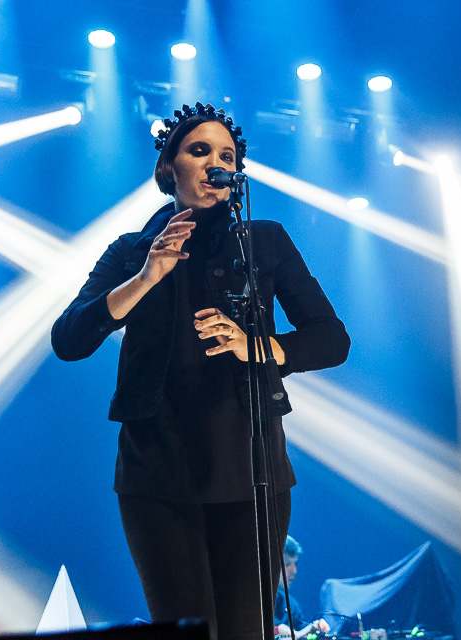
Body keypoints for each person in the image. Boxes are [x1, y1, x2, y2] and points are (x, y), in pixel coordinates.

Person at [51, 102, 350, 640]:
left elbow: (331, 340)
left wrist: (254, 345)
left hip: (250, 467)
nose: (217, 163)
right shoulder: (130, 252)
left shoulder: (266, 241)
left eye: (227, 156)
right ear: (170, 167)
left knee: (244, 630)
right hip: (158, 470)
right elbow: (69, 339)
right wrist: (147, 276)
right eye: (199, 150)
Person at [273, 535, 330, 638]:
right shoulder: (252, 602)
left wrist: (314, 627)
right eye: (287, 564)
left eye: (295, 564)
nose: (294, 570)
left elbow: (300, 628)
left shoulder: (290, 603)